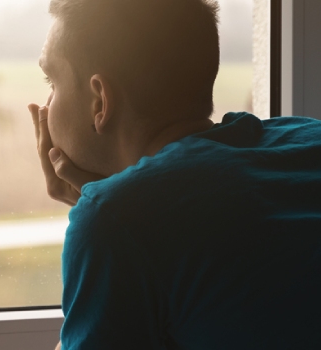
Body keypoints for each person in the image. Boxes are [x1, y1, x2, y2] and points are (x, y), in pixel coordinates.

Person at [28, 0, 321, 349]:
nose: (46, 106)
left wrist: (104, 210)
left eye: (52, 80)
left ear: (99, 102)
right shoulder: (308, 137)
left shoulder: (117, 222)